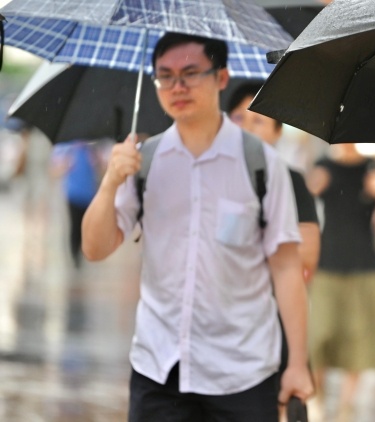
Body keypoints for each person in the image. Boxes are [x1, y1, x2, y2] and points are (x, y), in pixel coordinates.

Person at [81, 32, 314, 421]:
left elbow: (287, 268)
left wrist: (298, 363)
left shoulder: (260, 163)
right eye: (165, 76)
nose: (178, 86)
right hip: (158, 369)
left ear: (221, 77)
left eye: (191, 73)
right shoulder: (144, 161)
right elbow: (95, 248)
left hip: (244, 372)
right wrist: (109, 183)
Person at [306, 142, 375, 421]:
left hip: (364, 265)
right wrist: (311, 188)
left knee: (360, 340)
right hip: (326, 265)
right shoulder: (323, 166)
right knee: (319, 337)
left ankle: (347, 406)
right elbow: (301, 210)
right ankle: (317, 397)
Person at [227, 82, 321, 282]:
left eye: (258, 120)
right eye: (238, 118)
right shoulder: (212, 176)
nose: (246, 127)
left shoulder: (290, 180)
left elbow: (307, 256)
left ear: (277, 131)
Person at [51, 139, 102, 268]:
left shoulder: (92, 148)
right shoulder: (67, 147)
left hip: (88, 194)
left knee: (84, 227)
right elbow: (54, 169)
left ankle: (81, 252)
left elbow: (101, 168)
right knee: (74, 226)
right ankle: (75, 256)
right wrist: (65, 164)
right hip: (73, 194)